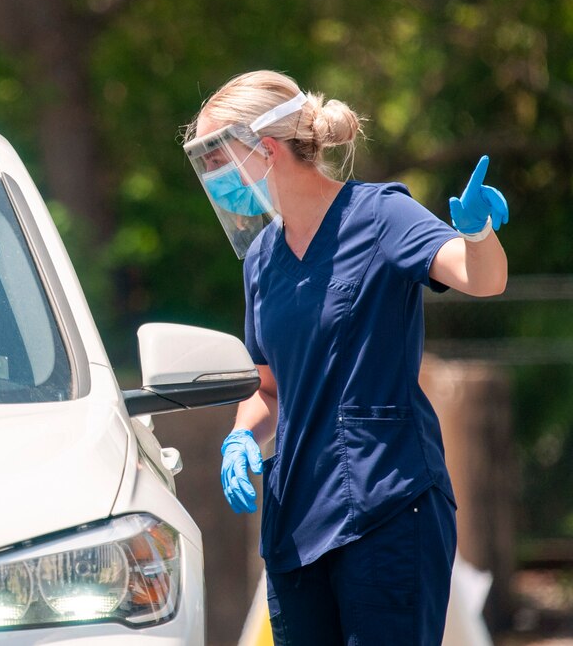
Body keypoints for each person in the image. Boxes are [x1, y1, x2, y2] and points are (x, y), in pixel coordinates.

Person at [181, 70, 509, 645]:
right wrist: (240, 438)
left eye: (216, 157)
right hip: (295, 527)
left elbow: (481, 280)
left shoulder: (381, 215)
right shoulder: (260, 259)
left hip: (389, 506)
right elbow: (268, 389)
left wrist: (479, 235)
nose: (211, 177)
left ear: (267, 149)